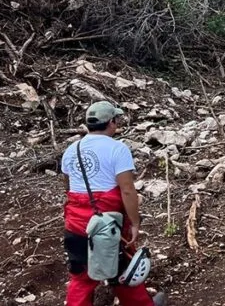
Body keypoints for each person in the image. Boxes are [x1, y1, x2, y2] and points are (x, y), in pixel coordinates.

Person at [61, 101, 166, 306]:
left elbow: (68, 186)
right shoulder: (118, 149)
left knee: (81, 277)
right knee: (123, 268)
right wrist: (135, 223)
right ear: (112, 122)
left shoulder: (72, 150)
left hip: (75, 224)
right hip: (107, 224)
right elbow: (127, 190)